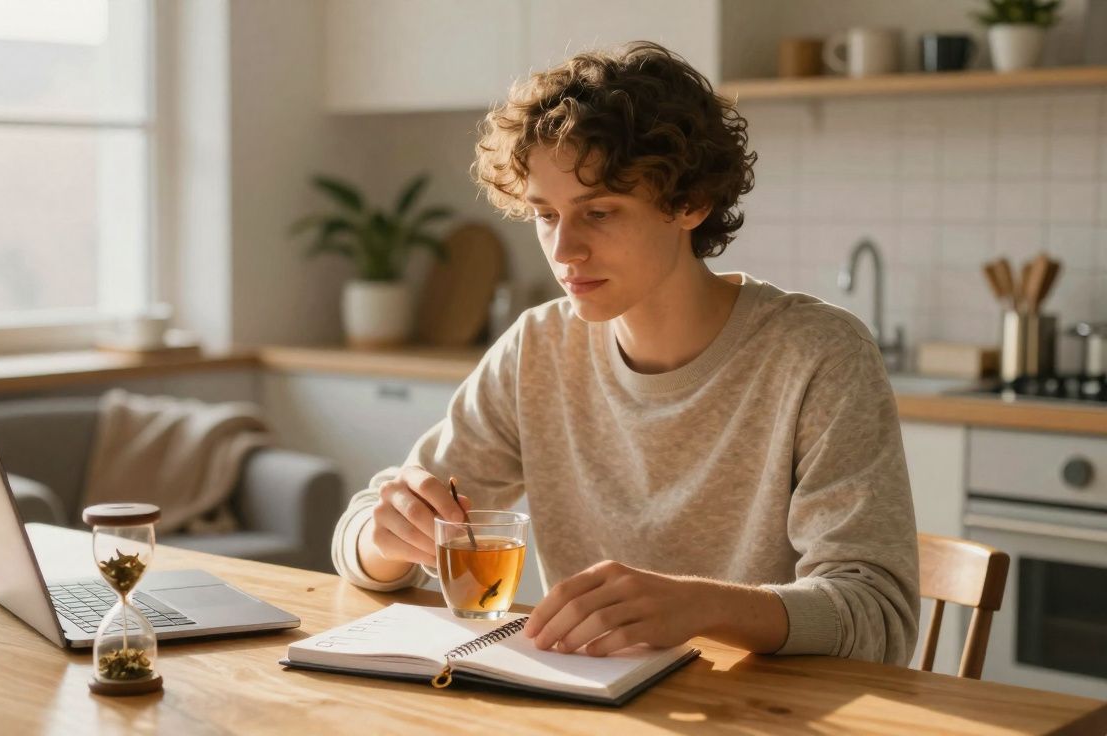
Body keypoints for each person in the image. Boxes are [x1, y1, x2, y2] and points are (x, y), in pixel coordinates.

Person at [330, 41, 919, 665]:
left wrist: (703, 606)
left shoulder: (818, 355)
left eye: (600, 212)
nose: (563, 251)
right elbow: (360, 541)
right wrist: (387, 537)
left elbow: (877, 617)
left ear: (691, 203)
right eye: (546, 214)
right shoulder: (538, 348)